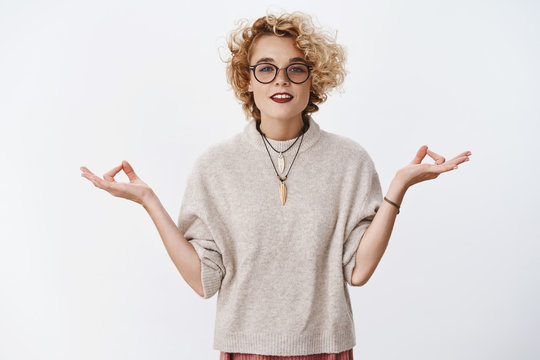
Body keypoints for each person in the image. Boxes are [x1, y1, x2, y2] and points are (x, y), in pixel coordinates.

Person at [80, 11, 471, 360]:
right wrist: (149, 201)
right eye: (265, 68)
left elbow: (359, 271)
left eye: (295, 68)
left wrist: (398, 187)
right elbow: (204, 280)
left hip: (326, 349)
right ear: (246, 80)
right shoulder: (215, 166)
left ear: (312, 78)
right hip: (245, 350)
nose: (280, 80)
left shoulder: (350, 161)